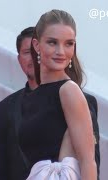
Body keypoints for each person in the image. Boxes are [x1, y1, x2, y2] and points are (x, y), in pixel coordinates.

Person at [18, 9, 97, 179]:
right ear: (36, 45)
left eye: (69, 43)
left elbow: (88, 160)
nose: (61, 51)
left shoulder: (69, 91)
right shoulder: (32, 97)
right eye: (52, 42)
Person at [0, 27, 38, 180]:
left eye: (36, 51)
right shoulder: (6, 107)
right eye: (26, 52)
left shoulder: (76, 100)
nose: (32, 57)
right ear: (19, 60)